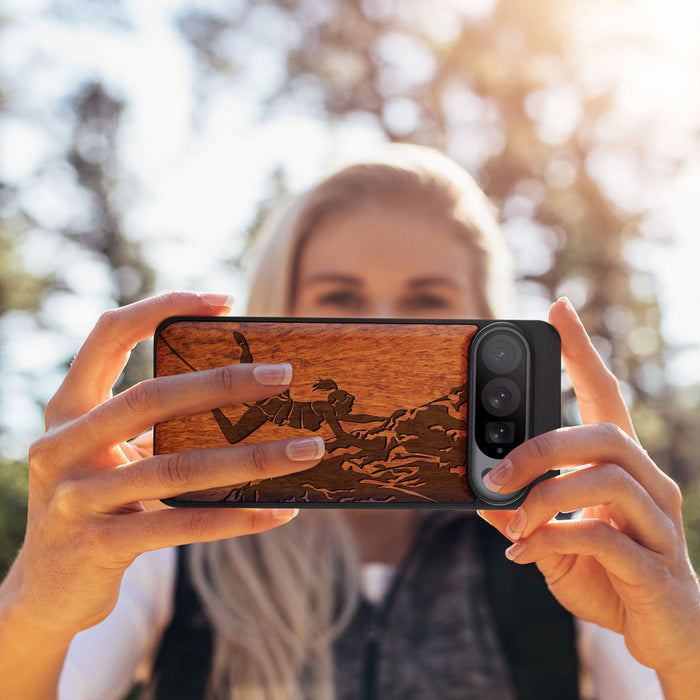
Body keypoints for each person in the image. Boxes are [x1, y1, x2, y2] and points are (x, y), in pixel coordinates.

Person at [0, 145, 698, 700]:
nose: (382, 330)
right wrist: (34, 607)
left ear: (487, 323)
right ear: (278, 313)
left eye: (427, 302)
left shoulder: (567, 544)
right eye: (340, 299)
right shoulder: (170, 536)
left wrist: (685, 648)